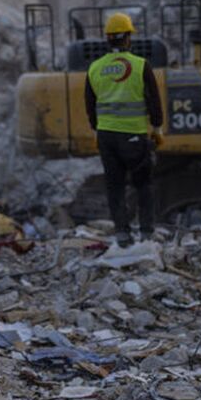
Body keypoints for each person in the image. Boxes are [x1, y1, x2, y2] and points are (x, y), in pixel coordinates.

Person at [83, 13, 164, 246]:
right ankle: (147, 232)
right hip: (134, 136)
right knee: (143, 184)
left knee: (115, 184)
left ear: (108, 39)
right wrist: (157, 128)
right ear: (128, 38)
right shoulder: (140, 66)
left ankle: (122, 233)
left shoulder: (95, 68)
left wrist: (96, 129)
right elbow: (154, 102)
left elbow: (90, 105)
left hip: (107, 137)